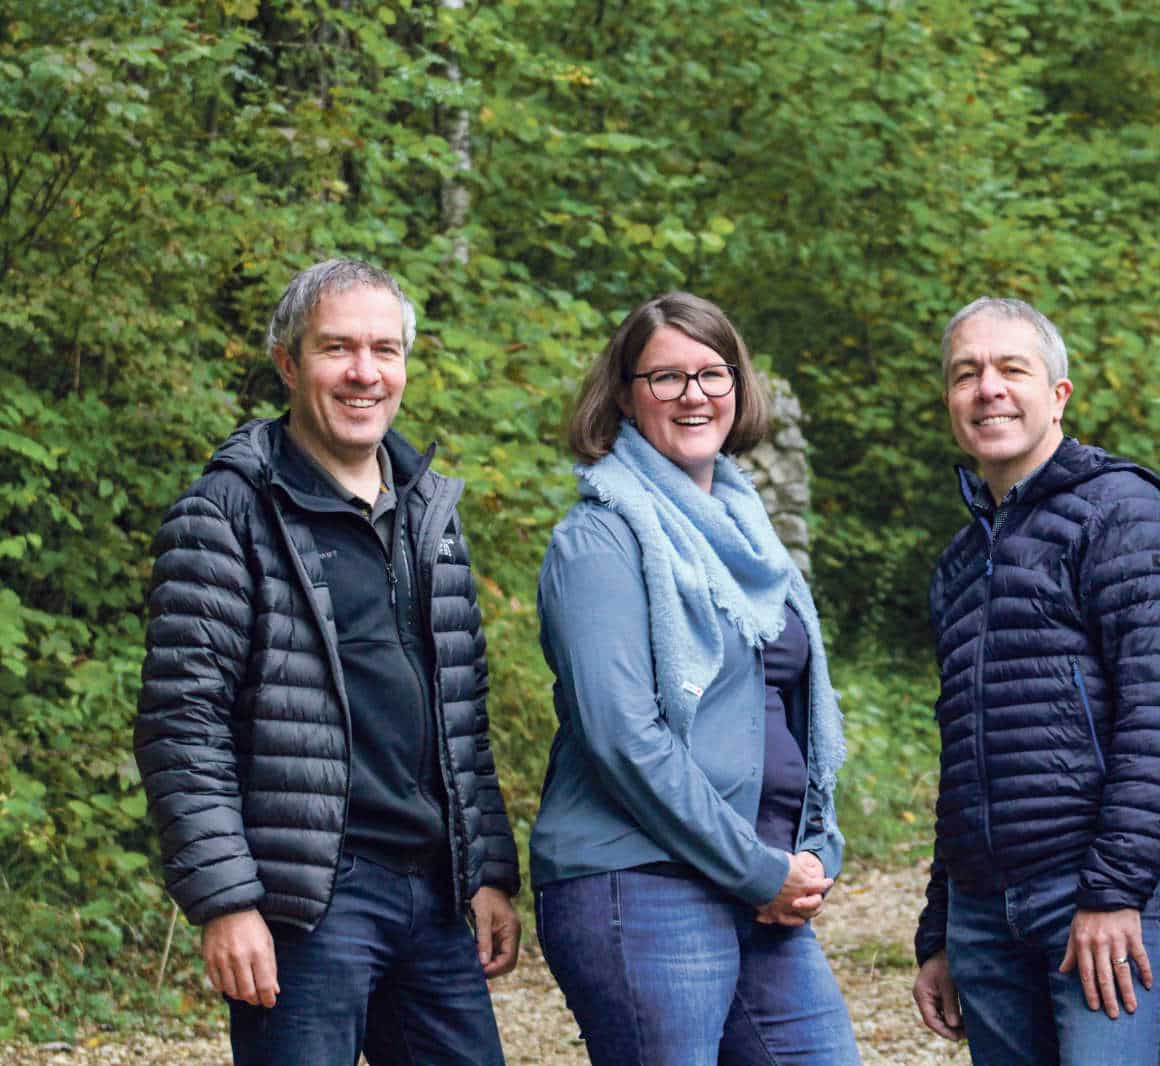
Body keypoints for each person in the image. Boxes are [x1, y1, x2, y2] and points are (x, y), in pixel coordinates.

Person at [134, 259, 521, 1066]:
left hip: (434, 892)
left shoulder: (429, 514)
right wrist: (226, 902)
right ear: (287, 362)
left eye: (385, 350)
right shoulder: (226, 514)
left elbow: (463, 715)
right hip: (309, 899)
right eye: (336, 348)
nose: (364, 373)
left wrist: (486, 871)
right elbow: (183, 724)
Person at [528, 291, 860, 1065]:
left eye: (713, 373)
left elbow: (789, 710)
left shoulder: (751, 537)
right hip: (639, 884)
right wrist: (757, 870)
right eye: (666, 377)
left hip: (754, 878)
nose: (694, 395)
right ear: (624, 393)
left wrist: (811, 848)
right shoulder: (601, 539)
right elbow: (621, 739)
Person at [910, 297, 1160, 1065]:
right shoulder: (959, 562)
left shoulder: (1121, 511)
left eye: (1013, 369)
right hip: (981, 913)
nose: (988, 389)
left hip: (1090, 896)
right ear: (949, 400)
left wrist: (1113, 893)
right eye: (966, 374)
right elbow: (965, 753)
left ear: (1059, 394)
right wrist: (938, 929)